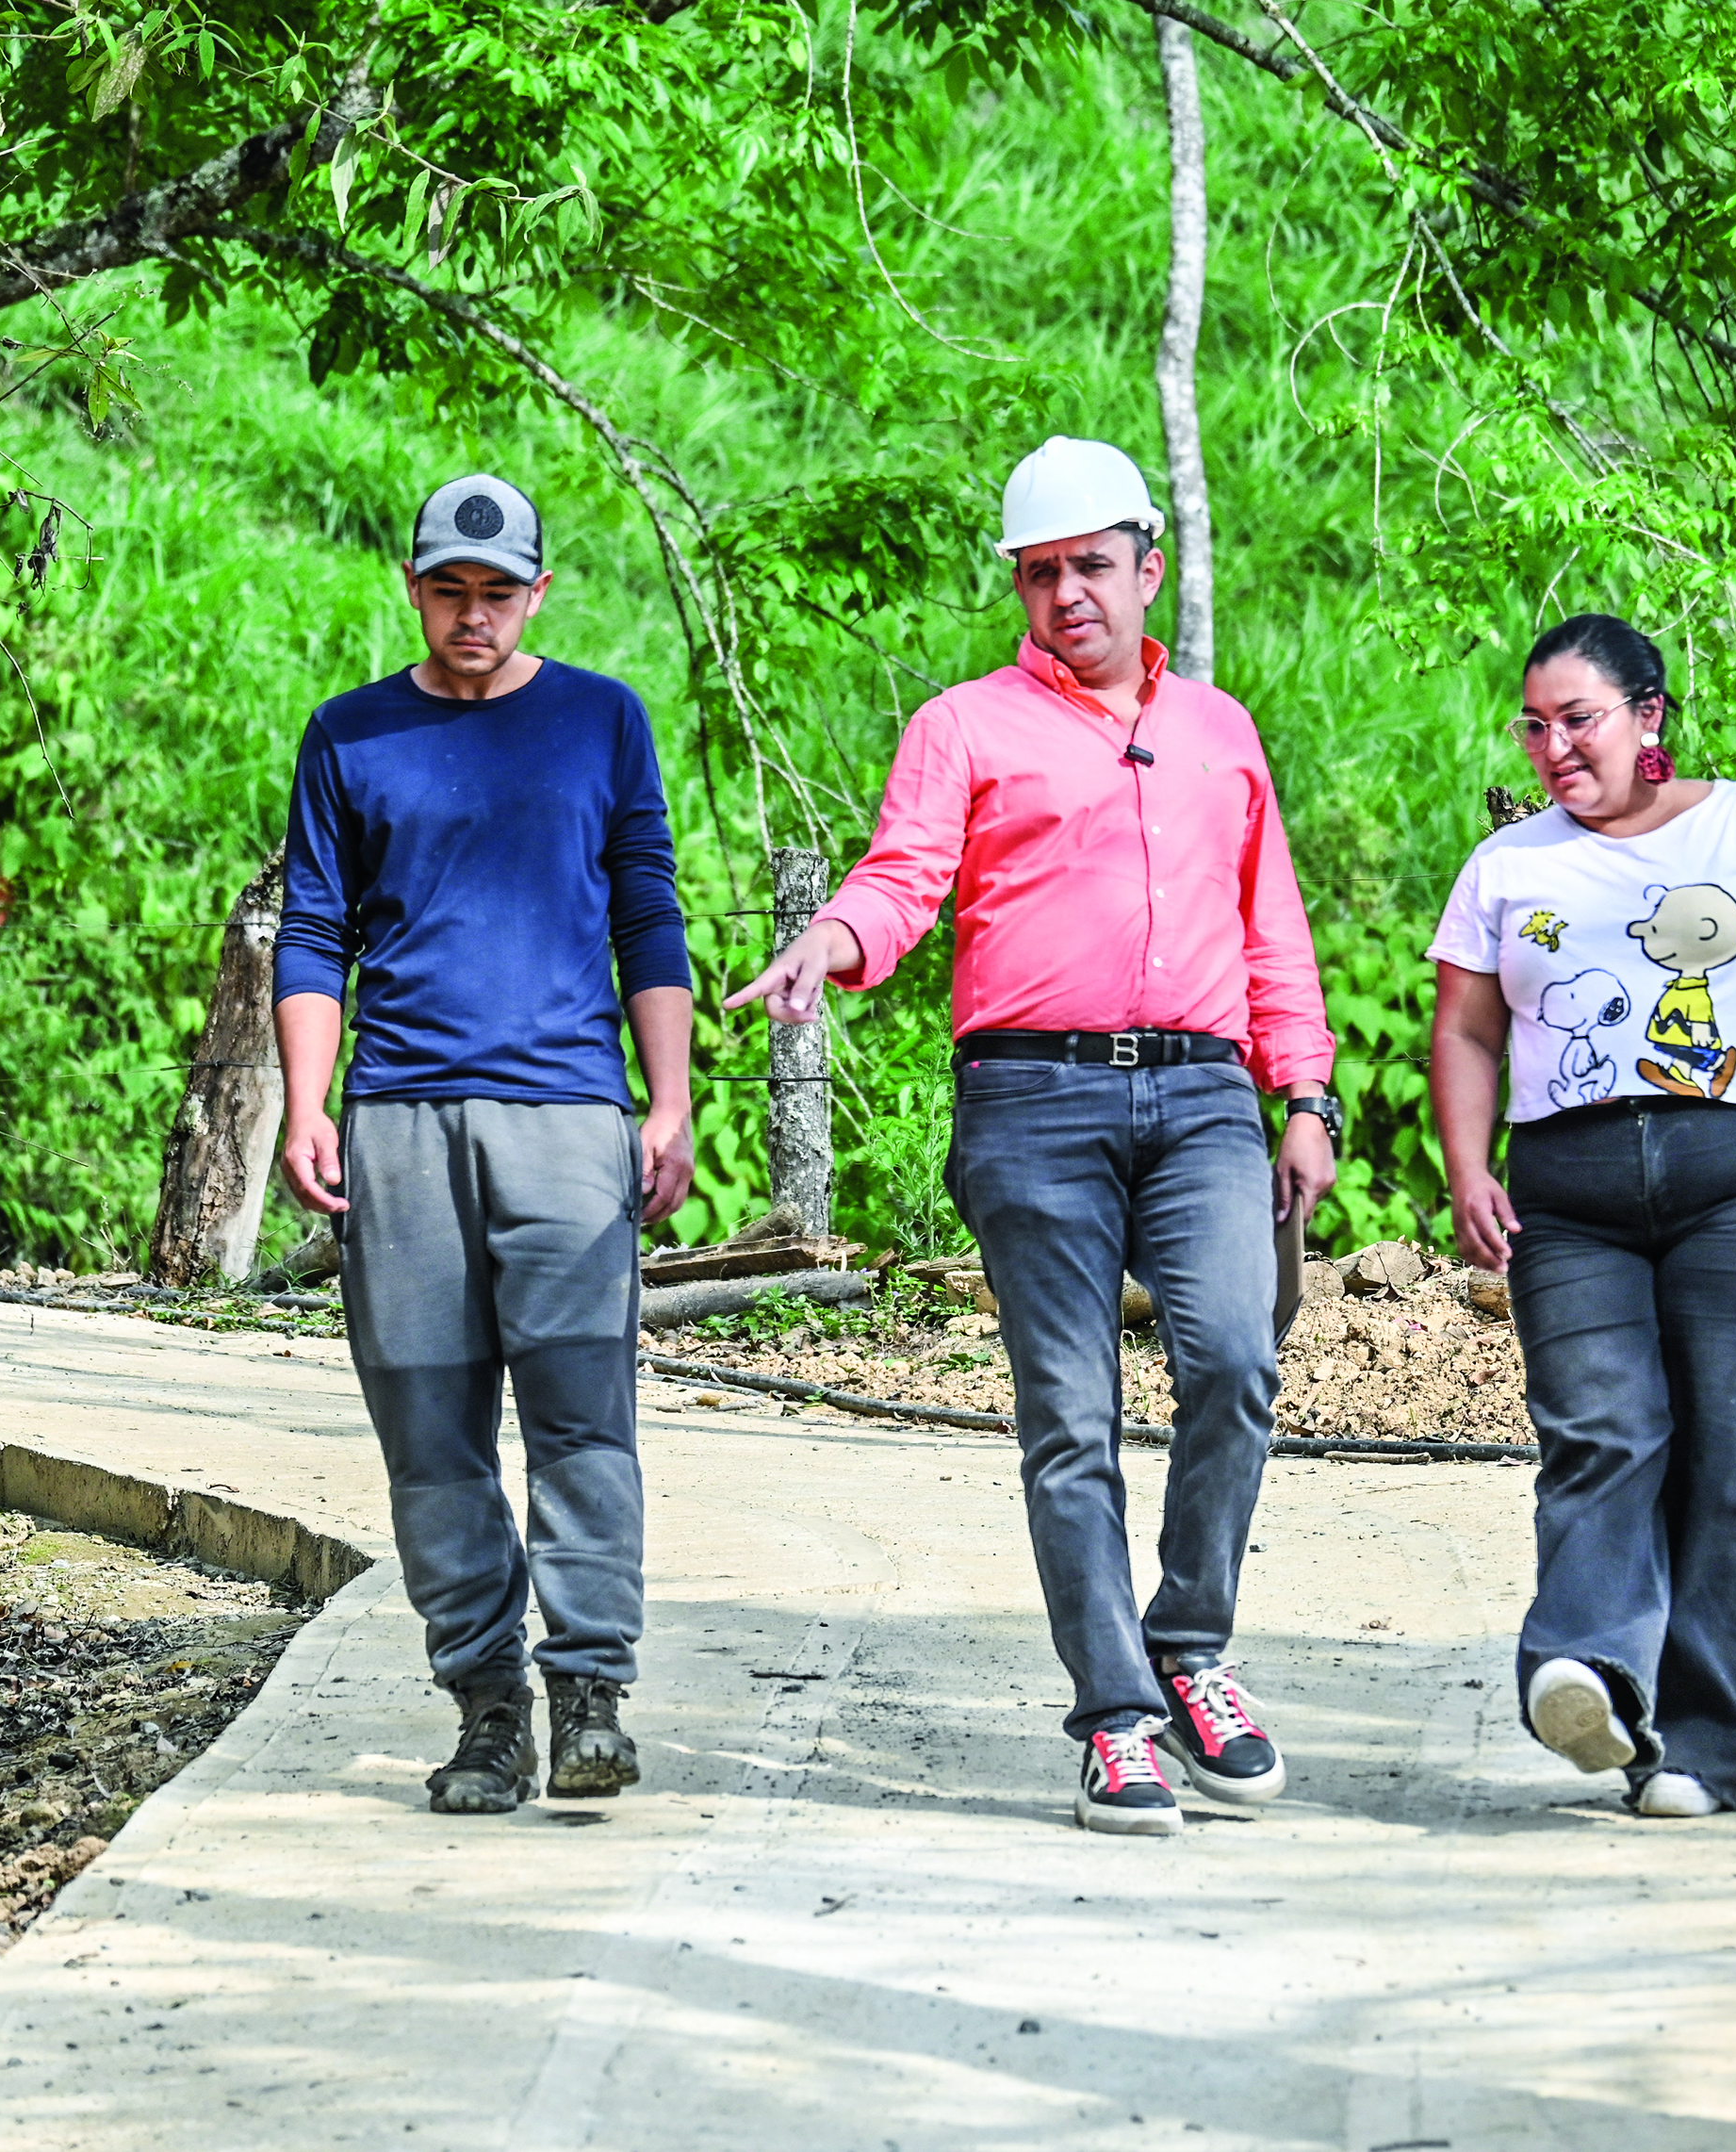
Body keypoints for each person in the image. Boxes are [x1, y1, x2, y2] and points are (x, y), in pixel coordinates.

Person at [726, 437, 1339, 1836]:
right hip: (1032, 1098)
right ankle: (1116, 1717)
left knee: (1236, 1363)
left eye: (1090, 567)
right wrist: (834, 937)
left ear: (1147, 569)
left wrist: (1300, 1093)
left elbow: (1271, 931)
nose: (1067, 594)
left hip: (1200, 1098)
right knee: (1070, 1415)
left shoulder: (1220, 731)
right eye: (1041, 571)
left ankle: (1192, 1655)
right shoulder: (964, 725)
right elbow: (903, 876)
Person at [272, 473, 698, 1815]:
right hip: (399, 1119)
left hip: (570, 1116)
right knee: (432, 1434)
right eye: (448, 590)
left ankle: (589, 1692)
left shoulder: (600, 721)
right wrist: (306, 1101)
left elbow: (648, 911)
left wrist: (669, 1098)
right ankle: (488, 1708)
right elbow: (311, 933)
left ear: (537, 591)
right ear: (414, 585)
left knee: (583, 1422)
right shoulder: (351, 737)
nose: (472, 615)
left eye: (497, 593)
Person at [1424, 613, 1736, 1817]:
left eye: (1577, 719)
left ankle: (1698, 1747)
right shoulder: (1506, 866)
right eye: (1534, 726)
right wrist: (1467, 1168)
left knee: (1733, 1448)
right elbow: (1468, 1029)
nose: (1553, 746)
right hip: (1567, 1191)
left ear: (1648, 717)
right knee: (1599, 1427)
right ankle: (1586, 1668)